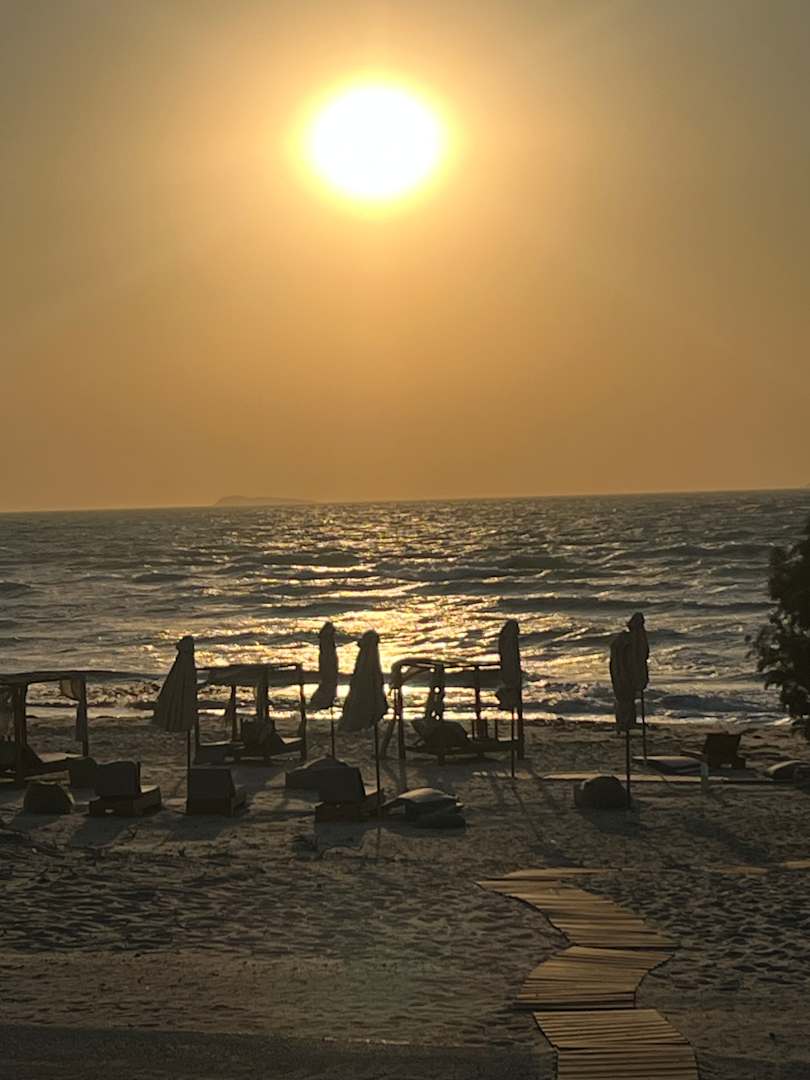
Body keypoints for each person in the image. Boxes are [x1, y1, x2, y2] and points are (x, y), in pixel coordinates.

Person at [609, 612, 649, 731]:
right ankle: (625, 722)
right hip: (624, 673)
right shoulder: (625, 641)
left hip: (627, 673)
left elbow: (642, 654)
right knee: (625, 698)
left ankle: (628, 722)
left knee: (627, 698)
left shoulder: (632, 639)